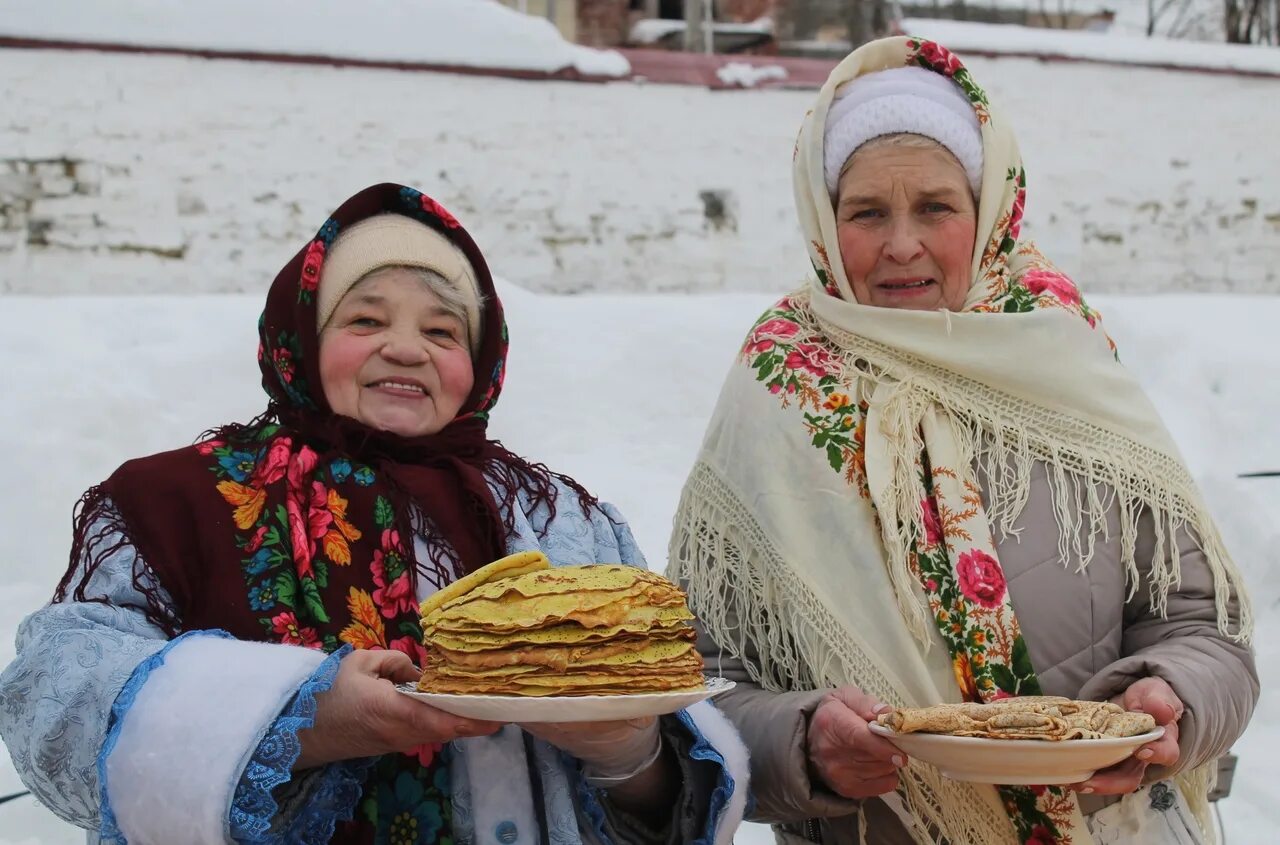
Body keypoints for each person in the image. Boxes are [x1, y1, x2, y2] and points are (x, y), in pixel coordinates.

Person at [0, 183, 748, 844]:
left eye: (443, 330)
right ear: (302, 336)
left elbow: (664, 784)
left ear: (482, 361)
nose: (406, 347)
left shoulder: (563, 520)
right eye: (365, 318)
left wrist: (629, 753)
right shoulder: (176, 505)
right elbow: (53, 707)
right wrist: (306, 718)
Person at [667, 37, 1256, 845]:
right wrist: (803, 744)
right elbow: (697, 682)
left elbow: (1199, 622)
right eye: (867, 211)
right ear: (822, 219)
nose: (902, 243)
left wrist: (1172, 700)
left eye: (936, 206)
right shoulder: (776, 385)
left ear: (987, 209)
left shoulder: (1062, 356)